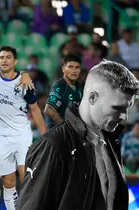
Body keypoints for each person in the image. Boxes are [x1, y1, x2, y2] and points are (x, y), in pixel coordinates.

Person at [18, 60, 138, 210]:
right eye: (117, 108)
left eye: (126, 108)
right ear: (93, 97)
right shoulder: (54, 144)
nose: (124, 117)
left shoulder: (110, 140)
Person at [0, 46, 46, 210]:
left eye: (8, 57)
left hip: (21, 135)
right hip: (1, 136)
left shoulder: (24, 82)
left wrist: (46, 136)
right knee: (8, 181)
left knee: (25, 176)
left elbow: (35, 110)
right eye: (1, 57)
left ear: (15, 61)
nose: (4, 60)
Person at [44, 54, 82, 128]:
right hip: (58, 134)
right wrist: (66, 127)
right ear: (63, 69)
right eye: (70, 67)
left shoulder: (79, 87)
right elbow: (48, 109)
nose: (74, 71)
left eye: (77, 67)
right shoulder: (59, 85)